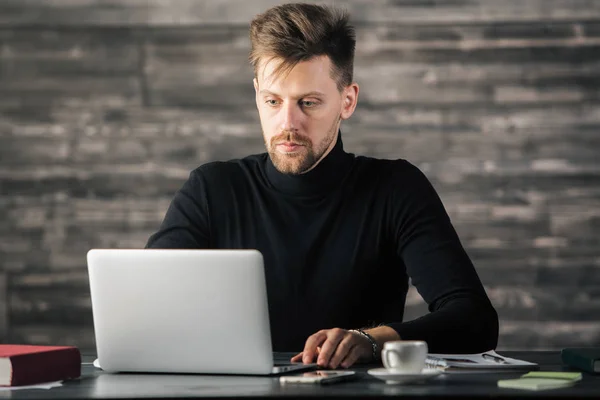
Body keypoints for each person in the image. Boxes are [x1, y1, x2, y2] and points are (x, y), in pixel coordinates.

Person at [146, 3, 499, 369]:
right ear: (256, 96)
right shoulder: (212, 188)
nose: (287, 123)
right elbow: (146, 305)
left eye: (309, 103)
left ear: (347, 101)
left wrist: (371, 340)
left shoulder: (395, 189)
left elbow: (474, 319)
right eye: (272, 101)